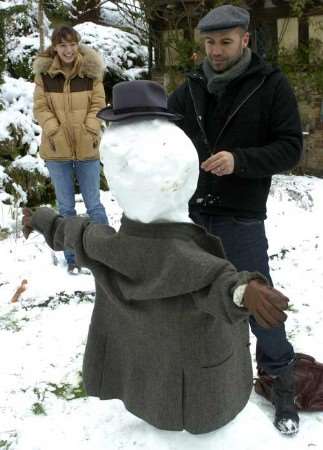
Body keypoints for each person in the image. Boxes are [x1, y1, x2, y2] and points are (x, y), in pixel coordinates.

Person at [22, 80, 290, 435]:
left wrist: (41, 218)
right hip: (197, 397)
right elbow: (217, 282)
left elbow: (74, 232)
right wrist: (245, 291)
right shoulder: (181, 256)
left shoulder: (110, 245)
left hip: (153, 380)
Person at [167, 4, 302, 435]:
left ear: (246, 39)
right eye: (209, 43)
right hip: (191, 214)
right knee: (194, 301)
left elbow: (289, 148)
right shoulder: (189, 87)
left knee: (258, 298)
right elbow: (163, 133)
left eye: (225, 42)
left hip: (241, 216)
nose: (216, 51)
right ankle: (201, 373)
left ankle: (280, 378)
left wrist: (240, 160)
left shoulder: (269, 84)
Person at [33, 26, 108, 274]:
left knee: (94, 205)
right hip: (57, 150)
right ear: (55, 48)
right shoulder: (44, 75)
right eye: (63, 45)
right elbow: (40, 107)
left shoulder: (91, 72)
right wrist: (54, 130)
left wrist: (89, 128)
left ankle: (105, 253)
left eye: (72, 44)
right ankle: (72, 258)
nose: (68, 50)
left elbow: (99, 104)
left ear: (78, 45)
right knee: (66, 208)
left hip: (88, 148)